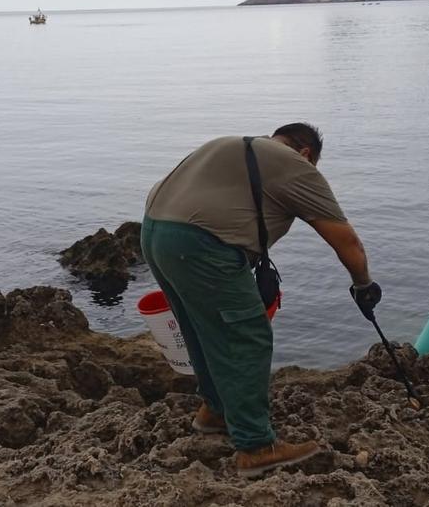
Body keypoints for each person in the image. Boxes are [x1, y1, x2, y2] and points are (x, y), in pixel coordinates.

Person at [141, 123, 381, 478]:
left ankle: (215, 411)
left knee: (199, 328)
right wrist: (363, 285)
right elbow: (346, 242)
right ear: (306, 154)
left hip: (154, 233)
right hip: (201, 245)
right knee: (248, 335)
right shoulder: (295, 165)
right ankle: (255, 446)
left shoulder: (231, 146)